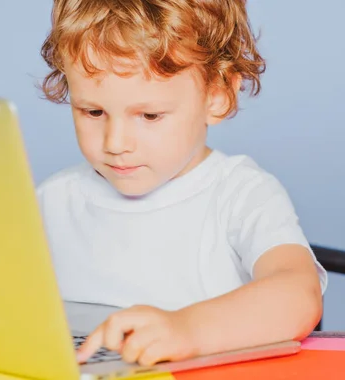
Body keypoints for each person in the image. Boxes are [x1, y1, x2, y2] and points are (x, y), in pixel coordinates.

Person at [37, 0, 328, 367]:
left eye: (150, 115)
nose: (115, 143)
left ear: (218, 97)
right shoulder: (52, 200)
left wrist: (188, 330)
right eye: (93, 112)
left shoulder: (240, 194)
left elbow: (299, 294)